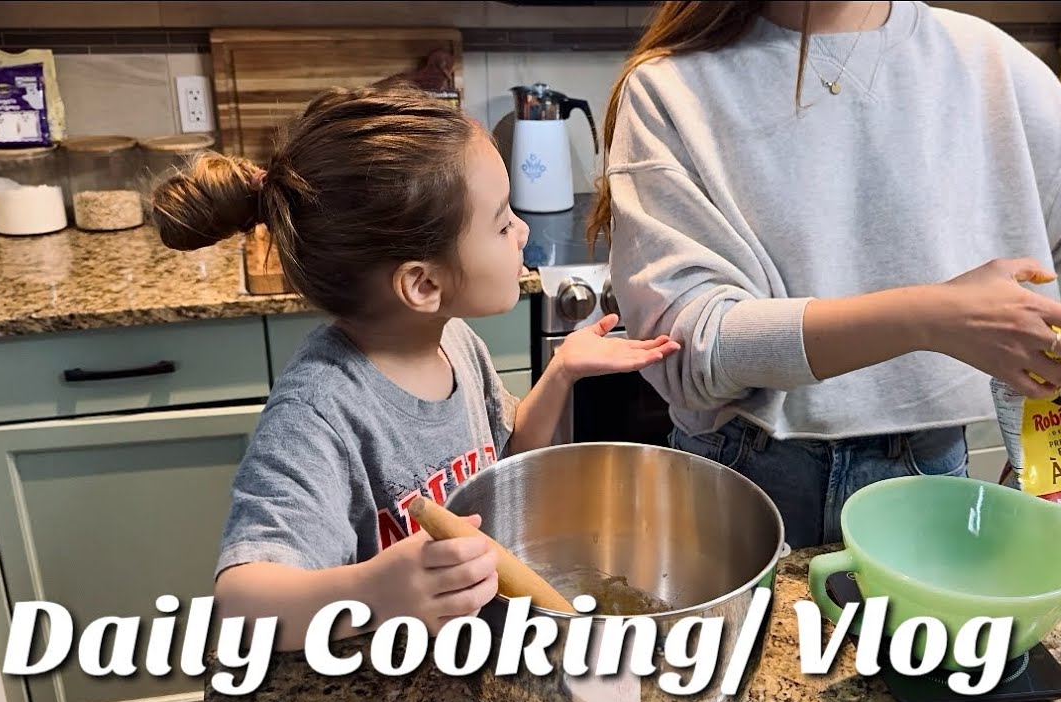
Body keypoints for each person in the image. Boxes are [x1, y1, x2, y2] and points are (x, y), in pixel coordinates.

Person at [588, 1, 1061, 549]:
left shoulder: (978, 55)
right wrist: (927, 319)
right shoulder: (672, 86)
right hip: (748, 475)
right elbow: (689, 347)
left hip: (933, 469)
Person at [151, 81, 679, 650]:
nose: (523, 230)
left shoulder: (455, 342)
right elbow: (242, 606)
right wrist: (374, 593)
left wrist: (561, 373)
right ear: (422, 284)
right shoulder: (320, 412)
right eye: (502, 222)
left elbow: (502, 466)